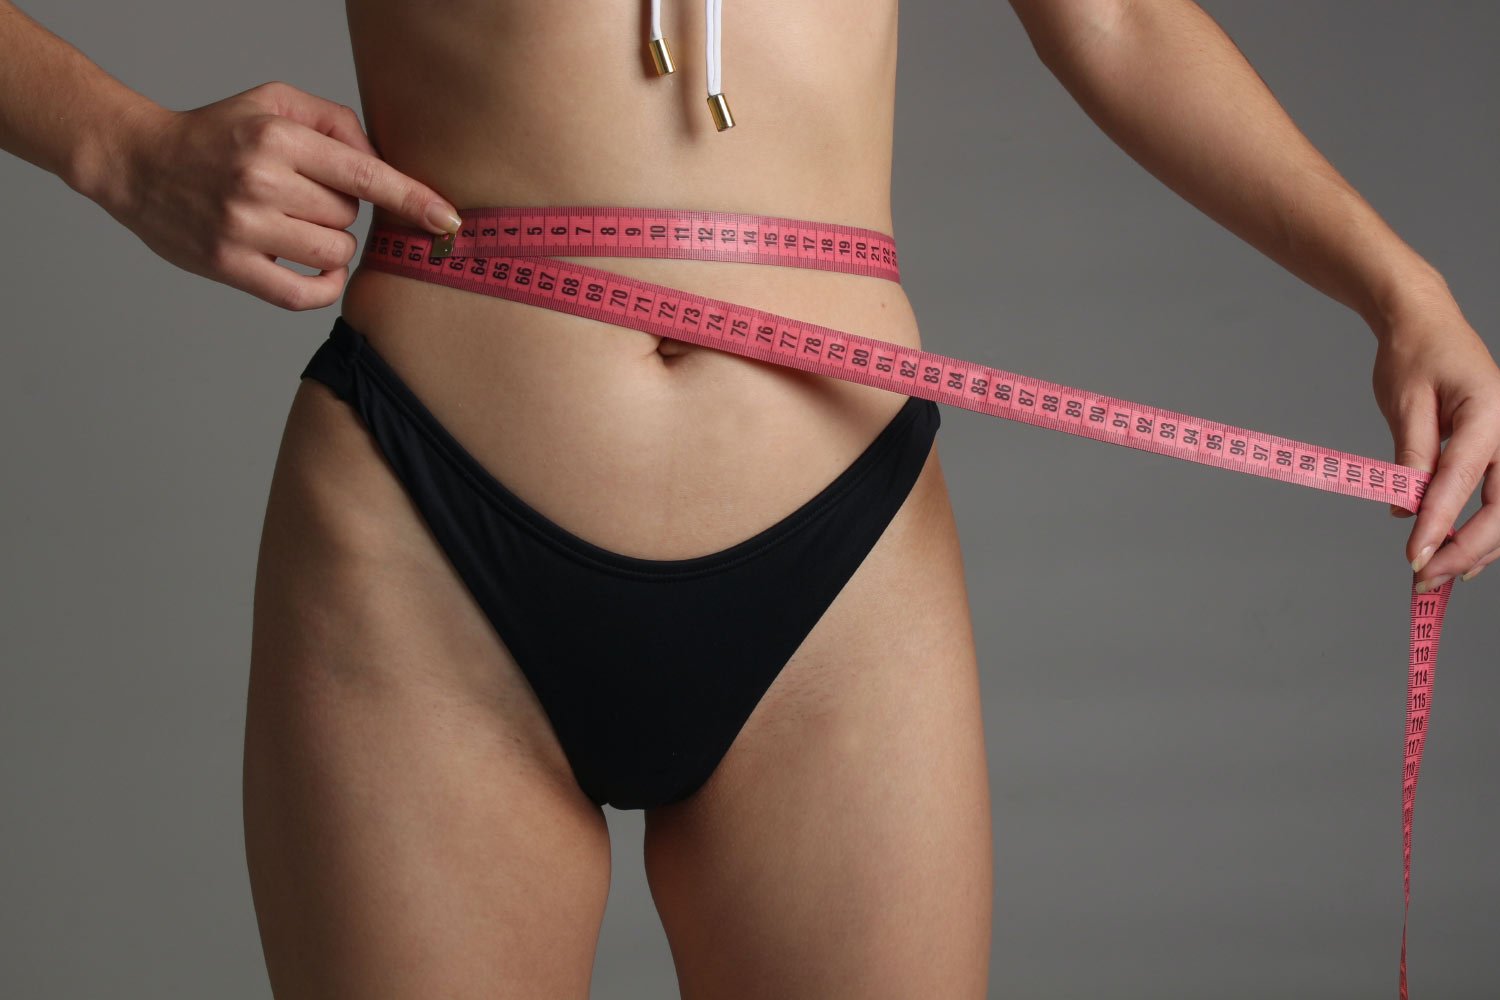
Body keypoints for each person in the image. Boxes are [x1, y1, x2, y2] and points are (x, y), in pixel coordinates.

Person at [2, 1, 1496, 996]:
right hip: (423, 539)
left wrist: (1400, 288)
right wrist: (119, 147)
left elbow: (1112, 15)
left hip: (840, 569)